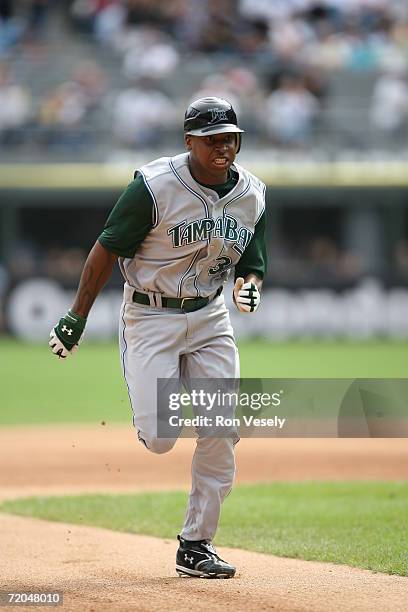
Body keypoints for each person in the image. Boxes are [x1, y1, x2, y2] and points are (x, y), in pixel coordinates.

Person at [49, 96, 267, 579]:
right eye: (212, 139)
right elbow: (105, 252)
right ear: (189, 141)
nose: (223, 147)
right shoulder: (153, 187)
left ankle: (196, 544)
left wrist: (248, 284)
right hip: (151, 316)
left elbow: (251, 256)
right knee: (161, 438)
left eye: (230, 138)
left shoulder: (252, 193)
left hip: (211, 319)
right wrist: (76, 316)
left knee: (220, 427)